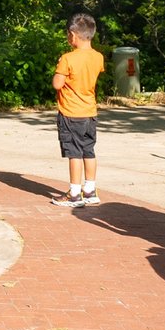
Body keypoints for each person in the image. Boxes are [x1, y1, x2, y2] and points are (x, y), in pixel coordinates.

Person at [50, 13, 105, 208]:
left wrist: (59, 70)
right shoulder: (98, 57)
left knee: (74, 153)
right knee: (88, 150)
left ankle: (74, 193)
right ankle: (90, 190)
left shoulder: (67, 58)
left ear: (73, 35)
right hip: (90, 112)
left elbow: (57, 84)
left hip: (70, 113)